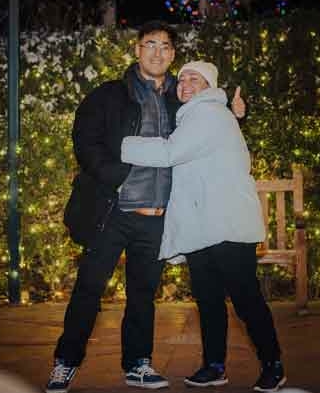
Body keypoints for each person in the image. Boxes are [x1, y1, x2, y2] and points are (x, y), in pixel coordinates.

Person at [47, 23, 244, 393]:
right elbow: (85, 140)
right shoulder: (110, 94)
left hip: (156, 217)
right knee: (89, 289)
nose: (157, 52)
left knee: (142, 294)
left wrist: (238, 114)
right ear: (137, 50)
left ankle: (138, 363)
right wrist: (116, 177)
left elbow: (213, 117)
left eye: (165, 46)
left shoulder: (182, 99)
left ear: (173, 54)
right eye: (150, 44)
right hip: (113, 211)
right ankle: (65, 363)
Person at [121, 61, 286, 393]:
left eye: (194, 78)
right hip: (202, 227)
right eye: (181, 79)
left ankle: (273, 365)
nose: (185, 83)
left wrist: (121, 145)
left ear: (210, 87)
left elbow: (170, 153)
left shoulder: (209, 114)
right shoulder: (193, 115)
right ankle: (214, 366)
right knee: (209, 300)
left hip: (226, 224)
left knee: (245, 299)